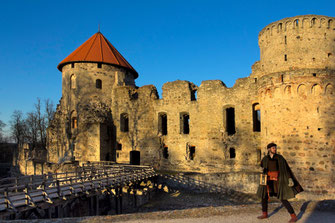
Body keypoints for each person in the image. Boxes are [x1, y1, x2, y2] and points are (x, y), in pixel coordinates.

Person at [256, 143, 303, 223]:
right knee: (264, 196)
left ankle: (293, 216)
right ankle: (265, 213)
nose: (275, 149)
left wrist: (289, 178)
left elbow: (286, 169)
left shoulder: (280, 158)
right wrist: (261, 169)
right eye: (273, 148)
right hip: (268, 180)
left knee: (282, 198)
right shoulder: (265, 158)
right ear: (269, 149)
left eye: (275, 148)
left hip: (278, 181)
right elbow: (261, 166)